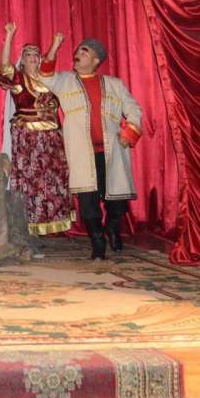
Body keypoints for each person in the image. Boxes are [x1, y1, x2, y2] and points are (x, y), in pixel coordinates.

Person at [39, 34, 142, 260]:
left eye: (84, 51)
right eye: (77, 51)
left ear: (96, 60)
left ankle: (112, 228)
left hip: (112, 152)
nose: (78, 54)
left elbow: (133, 109)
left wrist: (130, 131)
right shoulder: (65, 81)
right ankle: (97, 241)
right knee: (88, 200)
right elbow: (45, 74)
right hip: (82, 154)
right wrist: (54, 46)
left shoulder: (115, 84)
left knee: (117, 200)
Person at [0, 24, 76, 247]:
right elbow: (4, 68)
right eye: (28, 54)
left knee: (53, 180)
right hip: (29, 137)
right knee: (32, 180)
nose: (32, 57)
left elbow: (50, 64)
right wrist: (9, 36)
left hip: (51, 137)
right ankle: (29, 224)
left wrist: (55, 45)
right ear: (22, 60)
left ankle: (53, 224)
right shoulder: (19, 80)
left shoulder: (49, 80)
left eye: (35, 54)